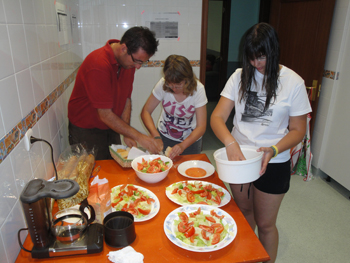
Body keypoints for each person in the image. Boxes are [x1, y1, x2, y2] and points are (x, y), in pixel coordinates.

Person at [210, 23, 311, 263]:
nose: (257, 64)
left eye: (262, 57)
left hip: (274, 160)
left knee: (266, 224)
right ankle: (245, 257)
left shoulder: (293, 82)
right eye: (252, 58)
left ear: (273, 50)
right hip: (241, 159)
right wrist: (231, 143)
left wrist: (274, 149)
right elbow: (217, 117)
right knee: (244, 213)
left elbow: (298, 130)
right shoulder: (239, 77)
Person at [68, 26, 162, 160]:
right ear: (124, 48)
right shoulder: (98, 64)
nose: (138, 67)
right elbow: (105, 114)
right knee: (93, 172)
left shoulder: (128, 63)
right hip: (86, 130)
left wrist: (128, 133)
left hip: (111, 125)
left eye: (143, 62)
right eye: (138, 61)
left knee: (115, 166)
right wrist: (140, 137)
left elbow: (126, 100)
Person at [141, 55, 207, 159]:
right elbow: (146, 111)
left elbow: (201, 127)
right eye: (170, 85)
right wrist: (156, 135)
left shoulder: (198, 90)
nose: (174, 89)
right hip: (164, 137)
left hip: (190, 141)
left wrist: (183, 145)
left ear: (187, 79)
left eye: (178, 85)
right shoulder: (163, 84)